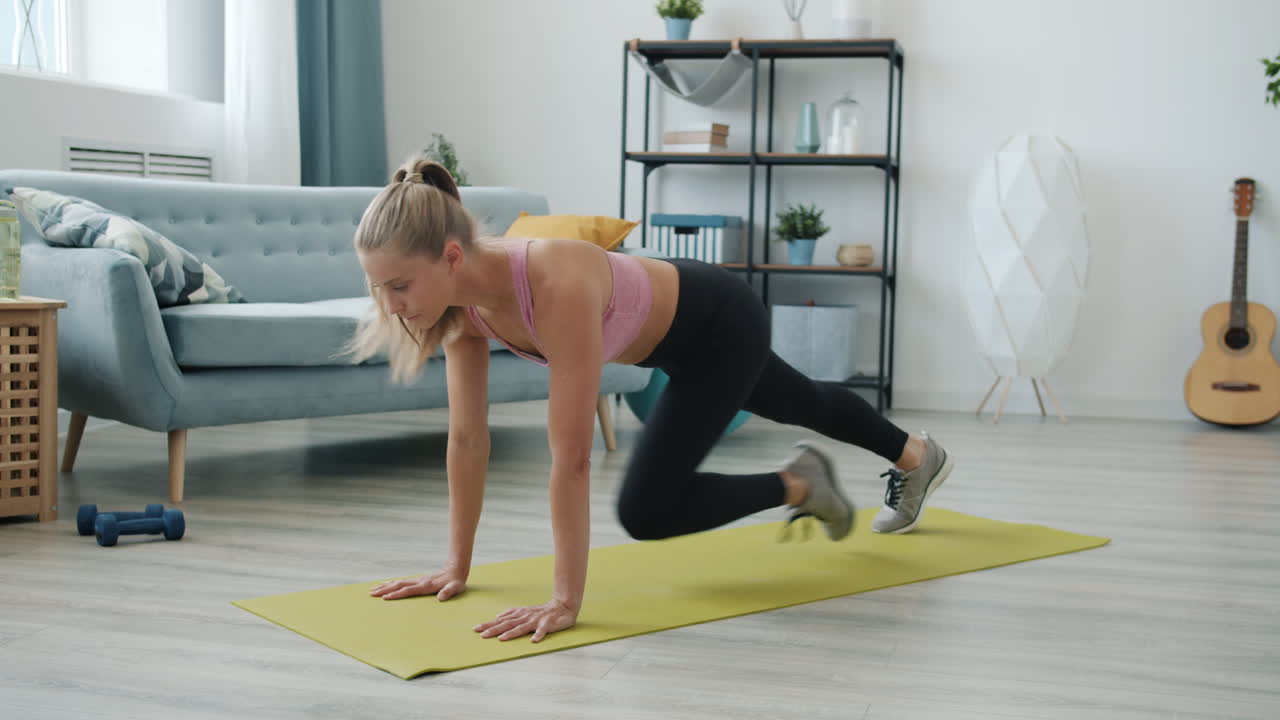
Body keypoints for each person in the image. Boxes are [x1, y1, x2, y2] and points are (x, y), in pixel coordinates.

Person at [356, 156, 954, 644]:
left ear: (451, 257)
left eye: (398, 286)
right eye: (380, 289)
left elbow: (571, 460)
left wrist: (566, 599)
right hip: (671, 337)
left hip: (718, 320)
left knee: (646, 510)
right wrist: (455, 567)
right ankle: (916, 455)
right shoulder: (460, 310)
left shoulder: (552, 282)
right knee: (803, 400)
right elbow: (467, 439)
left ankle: (800, 482)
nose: (390, 305)